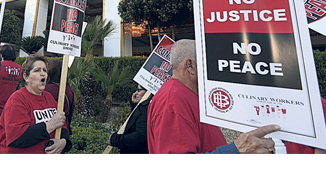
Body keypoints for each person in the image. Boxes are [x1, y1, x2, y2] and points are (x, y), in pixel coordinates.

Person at [147, 39, 281, 154]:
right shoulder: (172, 100)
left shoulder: (186, 94)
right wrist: (236, 150)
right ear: (190, 66)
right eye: (207, 63)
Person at [0, 55, 72, 154]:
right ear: (26, 77)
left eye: (45, 70)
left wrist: (64, 142)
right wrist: (49, 126)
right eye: (37, 70)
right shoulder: (17, 100)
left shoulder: (49, 97)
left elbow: (61, 123)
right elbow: (16, 137)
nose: (43, 74)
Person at [108, 83, 151, 154]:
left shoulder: (146, 109)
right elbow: (135, 123)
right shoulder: (145, 107)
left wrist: (116, 140)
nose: (136, 93)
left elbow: (140, 137)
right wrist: (135, 105)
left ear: (148, 92)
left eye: (139, 90)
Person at [45, 58, 75, 135]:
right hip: (65, 128)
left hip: (50, 130)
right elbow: (71, 111)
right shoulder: (68, 88)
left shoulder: (46, 89)